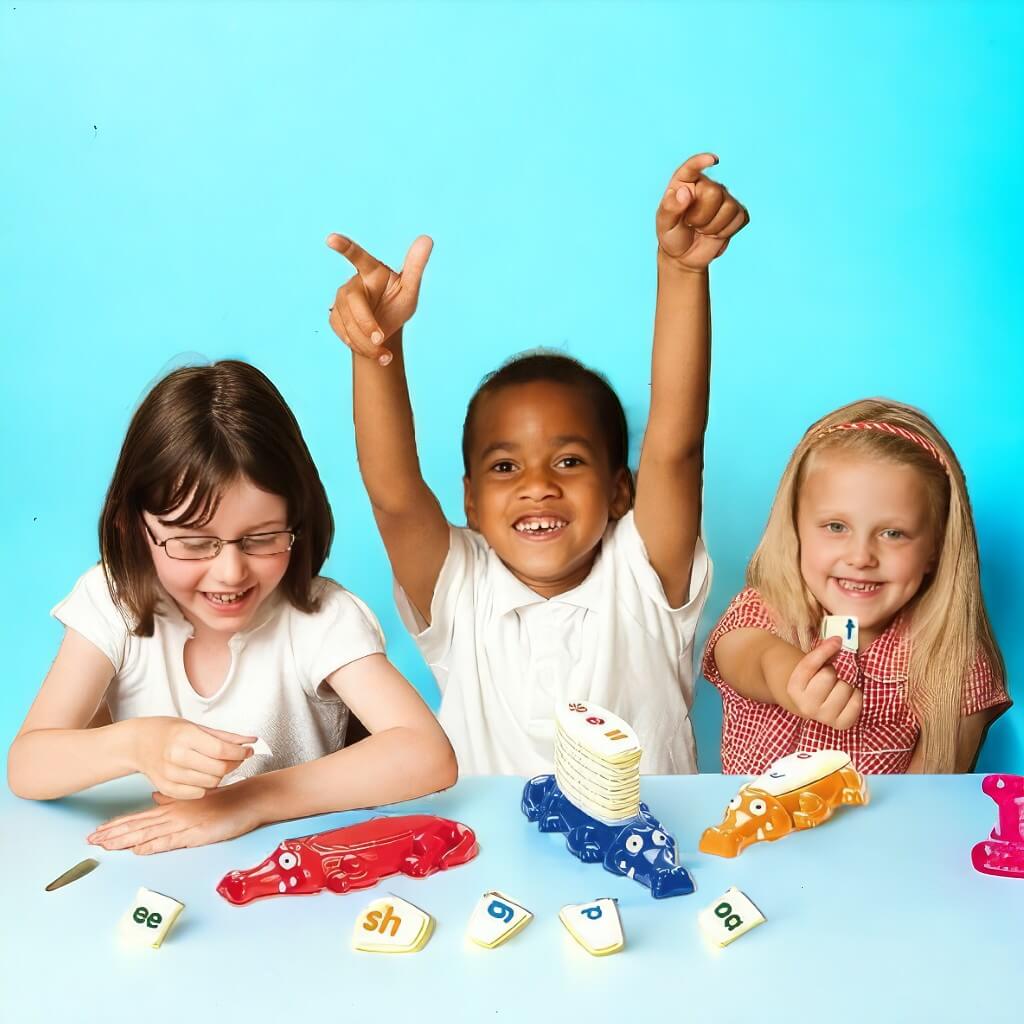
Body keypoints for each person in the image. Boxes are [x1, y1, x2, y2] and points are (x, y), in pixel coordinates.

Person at [326, 153, 749, 775]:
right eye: (505, 468)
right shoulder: (458, 589)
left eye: (570, 460)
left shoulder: (645, 574)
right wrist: (376, 351)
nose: (538, 487)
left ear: (619, 491)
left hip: (651, 863)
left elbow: (676, 446)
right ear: (468, 501)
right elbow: (393, 494)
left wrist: (682, 269)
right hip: (489, 868)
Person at [7, 360, 457, 852]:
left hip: (297, 871)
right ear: (132, 529)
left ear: (298, 521)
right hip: (157, 868)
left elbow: (427, 754)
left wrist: (247, 802)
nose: (231, 573)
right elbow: (28, 766)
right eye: (194, 544)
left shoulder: (320, 618)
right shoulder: (112, 599)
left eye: (262, 539)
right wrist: (137, 742)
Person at [702, 399, 1010, 774]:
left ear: (935, 549)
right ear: (796, 529)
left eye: (893, 533)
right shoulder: (764, 610)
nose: (861, 556)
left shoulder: (957, 662)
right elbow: (746, 656)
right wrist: (791, 679)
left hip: (887, 833)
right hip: (758, 829)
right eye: (836, 527)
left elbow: (931, 794)